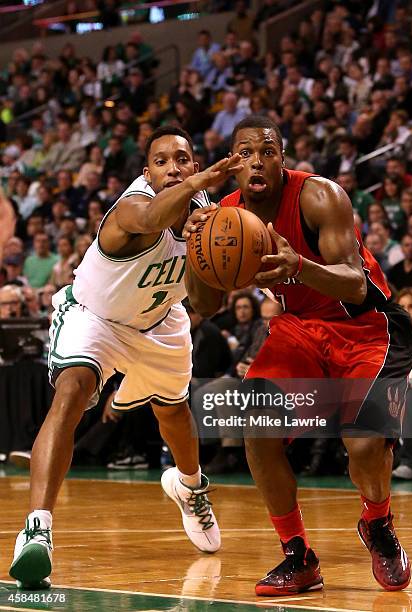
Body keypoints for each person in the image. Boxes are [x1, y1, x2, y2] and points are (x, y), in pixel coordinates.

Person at [183, 116, 412, 596]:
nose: (256, 161)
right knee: (257, 428)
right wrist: (194, 251)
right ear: (232, 164)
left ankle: (377, 524)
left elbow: (355, 283)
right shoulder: (224, 215)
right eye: (244, 153)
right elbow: (204, 307)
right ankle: (298, 556)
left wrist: (300, 266)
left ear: (282, 157)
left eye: (266, 150)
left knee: (365, 445)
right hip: (300, 330)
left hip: (368, 326)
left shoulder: (319, 196)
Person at [9, 125, 244, 589]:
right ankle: (37, 530)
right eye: (161, 161)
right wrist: (199, 185)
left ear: (194, 164)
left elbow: (208, 304)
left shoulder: (207, 218)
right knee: (72, 391)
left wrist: (204, 250)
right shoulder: (131, 208)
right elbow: (154, 216)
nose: (172, 168)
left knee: (175, 415)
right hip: (94, 316)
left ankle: (191, 487)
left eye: (182, 159)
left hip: (160, 320)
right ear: (147, 171)